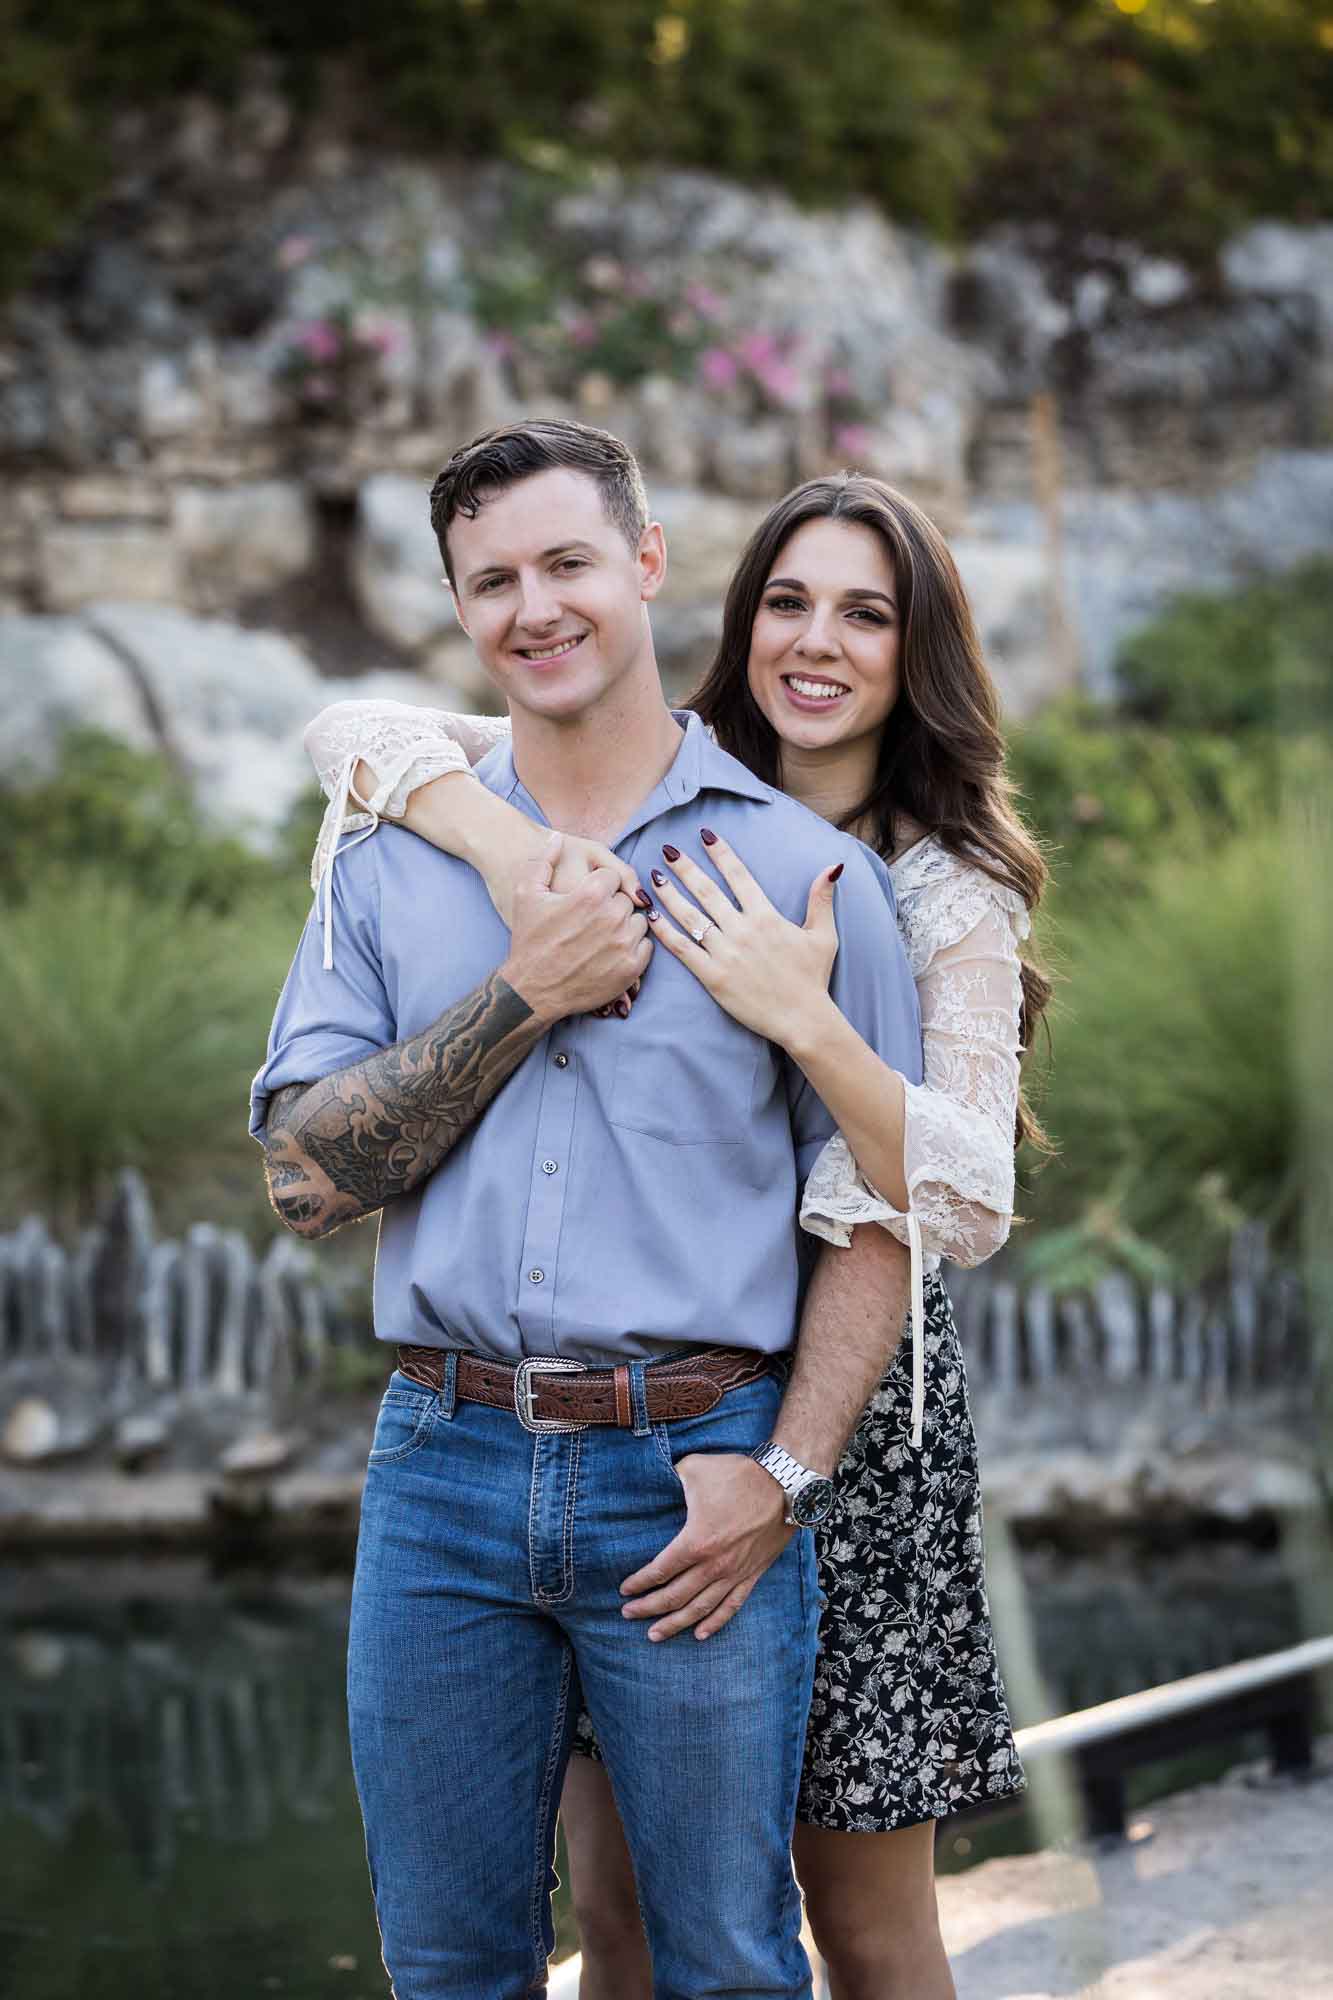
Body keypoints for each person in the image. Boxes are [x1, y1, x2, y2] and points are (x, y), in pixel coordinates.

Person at [303, 467, 1049, 2000]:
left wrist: (806, 1019)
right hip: (586, 1437)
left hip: (845, 1421)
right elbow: (352, 736)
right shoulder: (602, 783)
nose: (817, 641)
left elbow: (953, 1195)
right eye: (787, 600)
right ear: (726, 608)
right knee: (617, 1911)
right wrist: (518, 871)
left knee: (846, 1922)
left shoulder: (920, 883)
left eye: (867, 611)